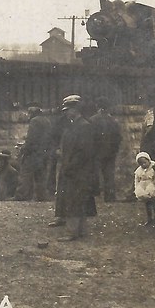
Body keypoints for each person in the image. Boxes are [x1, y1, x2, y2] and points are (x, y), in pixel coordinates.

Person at [55, 95, 98, 242]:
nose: (66, 113)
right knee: (75, 200)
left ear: (76, 110)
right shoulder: (73, 125)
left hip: (79, 171)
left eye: (68, 110)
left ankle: (72, 231)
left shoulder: (84, 126)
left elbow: (84, 152)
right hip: (72, 169)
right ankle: (81, 230)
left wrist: (70, 166)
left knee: (75, 200)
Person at [15, 104, 52, 201]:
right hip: (43, 154)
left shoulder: (34, 121)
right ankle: (41, 197)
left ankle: (22, 196)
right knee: (41, 177)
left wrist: (23, 149)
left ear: (32, 112)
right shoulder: (47, 121)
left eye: (29, 112)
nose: (28, 114)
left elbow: (31, 139)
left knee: (25, 175)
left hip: (33, 154)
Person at [89, 97, 122, 202]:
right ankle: (110, 197)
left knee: (94, 173)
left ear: (97, 106)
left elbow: (90, 137)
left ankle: (94, 195)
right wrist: (114, 150)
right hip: (110, 152)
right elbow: (118, 138)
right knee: (109, 175)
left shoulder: (92, 120)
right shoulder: (114, 121)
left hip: (96, 152)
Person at [133, 151, 155, 227]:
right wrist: (137, 189)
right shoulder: (139, 171)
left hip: (152, 187)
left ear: (148, 160)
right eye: (141, 164)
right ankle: (149, 218)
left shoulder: (153, 167)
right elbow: (137, 180)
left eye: (144, 163)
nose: (143, 165)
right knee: (147, 204)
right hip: (143, 188)